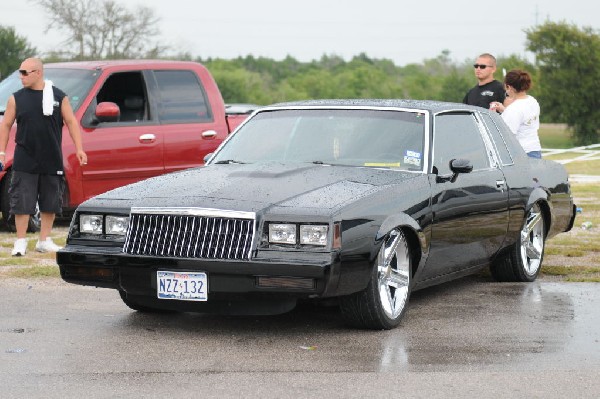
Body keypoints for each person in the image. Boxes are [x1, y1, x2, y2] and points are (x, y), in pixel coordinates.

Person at [0, 58, 87, 256]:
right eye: (20, 72)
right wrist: (2, 152)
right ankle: (20, 242)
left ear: (38, 73)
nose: (21, 76)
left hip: (52, 157)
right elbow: (5, 125)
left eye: (25, 72)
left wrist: (79, 148)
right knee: (22, 201)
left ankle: (44, 240)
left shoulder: (59, 97)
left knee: (50, 201)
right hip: (25, 158)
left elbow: (72, 122)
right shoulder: (16, 98)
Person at [490, 69, 542, 159]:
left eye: (505, 88)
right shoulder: (532, 101)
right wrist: (504, 110)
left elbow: (506, 135)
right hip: (535, 150)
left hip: (521, 154)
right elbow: (523, 119)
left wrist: (492, 116)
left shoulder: (514, 109)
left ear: (509, 87)